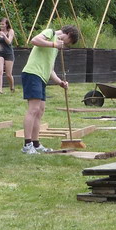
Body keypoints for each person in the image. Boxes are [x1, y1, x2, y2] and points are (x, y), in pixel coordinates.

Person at [20, 25, 81, 154]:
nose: (65, 45)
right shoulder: (50, 33)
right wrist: (54, 44)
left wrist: (60, 82)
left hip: (42, 78)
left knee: (40, 111)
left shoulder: (56, 48)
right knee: (33, 109)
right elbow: (34, 40)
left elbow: (50, 69)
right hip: (32, 73)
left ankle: (36, 143)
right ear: (68, 34)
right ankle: (27, 145)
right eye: (68, 42)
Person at [0, 17, 15, 95]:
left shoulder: (11, 31)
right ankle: (0, 90)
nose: (1, 26)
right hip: (0, 53)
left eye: (3, 24)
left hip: (9, 53)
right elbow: (0, 43)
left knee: (8, 74)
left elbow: (9, 42)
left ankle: (12, 87)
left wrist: (4, 36)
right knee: (0, 71)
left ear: (6, 25)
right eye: (0, 24)